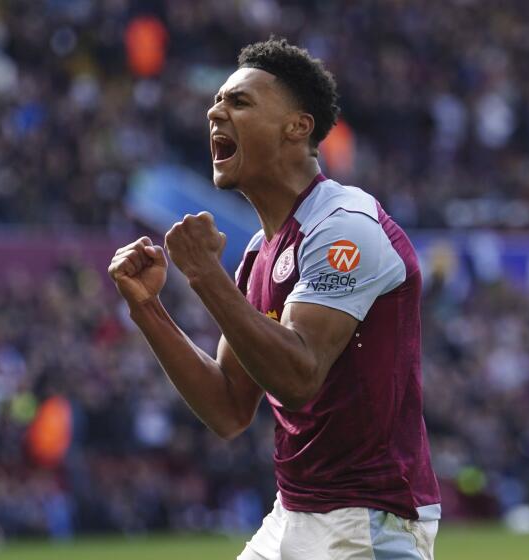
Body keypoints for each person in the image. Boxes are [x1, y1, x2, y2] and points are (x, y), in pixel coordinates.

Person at [109, 38, 440, 559]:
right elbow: (228, 408)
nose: (215, 111)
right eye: (216, 101)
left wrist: (203, 276)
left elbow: (300, 376)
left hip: (364, 523)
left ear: (297, 127)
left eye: (238, 102)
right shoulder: (261, 252)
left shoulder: (345, 228)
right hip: (294, 514)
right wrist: (147, 308)